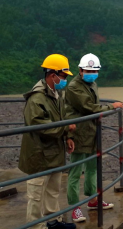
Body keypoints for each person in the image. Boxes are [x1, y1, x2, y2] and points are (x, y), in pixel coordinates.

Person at [19, 54, 77, 229]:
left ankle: (53, 221)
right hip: (38, 154)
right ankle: (36, 226)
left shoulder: (56, 95)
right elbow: (40, 126)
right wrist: (66, 129)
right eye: (64, 76)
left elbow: (62, 117)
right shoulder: (37, 98)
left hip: (53, 152)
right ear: (53, 75)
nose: (65, 79)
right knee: (36, 194)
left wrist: (68, 138)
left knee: (53, 189)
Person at [65, 53, 123, 223]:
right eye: (89, 70)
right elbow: (89, 107)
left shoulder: (92, 84)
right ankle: (74, 207)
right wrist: (110, 106)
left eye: (95, 70)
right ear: (80, 70)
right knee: (76, 172)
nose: (92, 73)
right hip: (77, 134)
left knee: (92, 168)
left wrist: (101, 110)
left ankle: (92, 199)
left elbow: (93, 107)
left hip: (92, 133)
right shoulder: (74, 87)